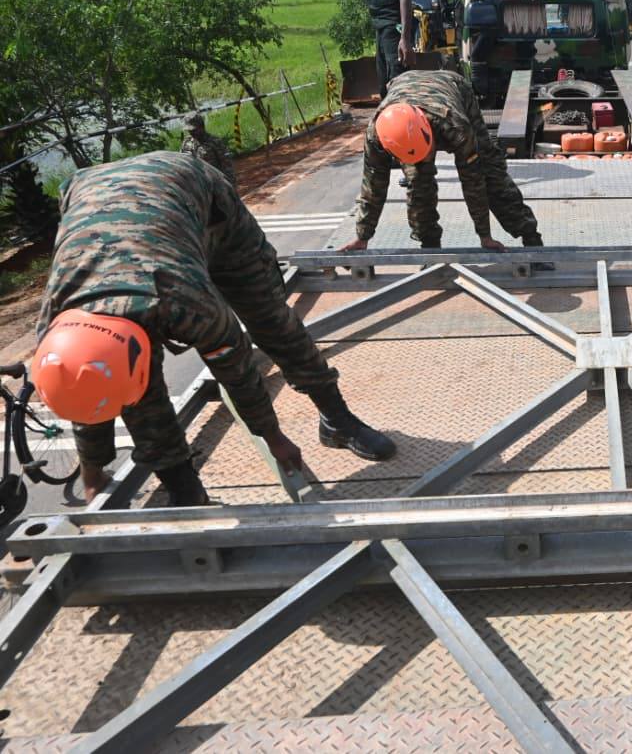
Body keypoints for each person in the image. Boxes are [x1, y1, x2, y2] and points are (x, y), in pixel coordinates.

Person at [31, 152, 396, 506]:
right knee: (130, 389)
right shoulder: (55, 333)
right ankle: (186, 489)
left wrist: (273, 437)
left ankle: (337, 419)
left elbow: (237, 371)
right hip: (93, 193)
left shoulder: (187, 306)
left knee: (271, 319)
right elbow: (82, 393)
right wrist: (93, 476)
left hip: (201, 197)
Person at [339, 70, 544, 253]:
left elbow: (473, 181)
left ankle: (530, 237)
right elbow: (372, 185)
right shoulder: (377, 136)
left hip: (454, 88)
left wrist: (484, 235)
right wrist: (362, 236)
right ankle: (429, 247)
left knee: (489, 169)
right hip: (402, 85)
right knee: (418, 181)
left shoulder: (455, 126)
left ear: (429, 134)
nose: (425, 159)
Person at [179, 113, 236, 185]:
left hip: (216, 183)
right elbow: (183, 163)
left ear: (201, 126)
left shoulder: (214, 142)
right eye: (189, 130)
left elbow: (227, 164)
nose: (191, 132)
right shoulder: (186, 143)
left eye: (194, 129)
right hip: (198, 185)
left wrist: (230, 184)